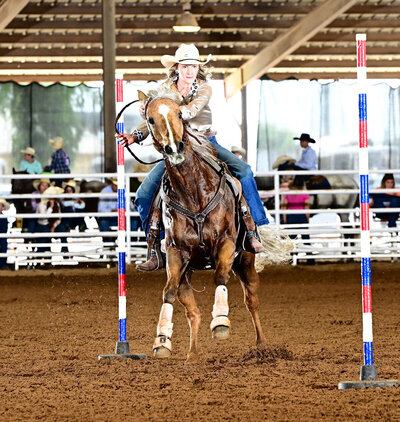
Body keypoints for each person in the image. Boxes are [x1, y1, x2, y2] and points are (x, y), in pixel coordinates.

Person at [117, 43, 268, 271]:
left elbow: (192, 110)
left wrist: (158, 107)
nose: (190, 71)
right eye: (186, 66)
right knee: (144, 193)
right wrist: (135, 135)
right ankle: (154, 246)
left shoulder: (203, 88)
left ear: (199, 69)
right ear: (177, 67)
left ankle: (254, 228)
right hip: (177, 147)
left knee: (244, 171)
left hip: (207, 143)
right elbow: (156, 120)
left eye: (194, 66)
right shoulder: (165, 90)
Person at [281, 175, 314, 264]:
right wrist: (307, 218)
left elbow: (284, 208)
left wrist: (285, 221)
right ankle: (310, 260)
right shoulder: (305, 194)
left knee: (292, 240)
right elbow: (306, 207)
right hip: (302, 216)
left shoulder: (288, 194)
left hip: (291, 217)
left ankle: (293, 260)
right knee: (306, 238)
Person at [36, 186, 68, 253]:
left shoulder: (57, 204)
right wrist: (50, 208)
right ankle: (41, 252)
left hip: (53, 224)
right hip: (43, 224)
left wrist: (54, 226)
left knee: (62, 229)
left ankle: (65, 251)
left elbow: (59, 218)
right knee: (45, 233)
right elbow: (43, 217)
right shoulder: (41, 205)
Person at [97, 178, 118, 242]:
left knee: (132, 220)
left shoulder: (125, 189)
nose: (117, 187)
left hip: (120, 216)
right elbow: (101, 210)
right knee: (104, 221)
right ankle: (107, 244)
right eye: (116, 185)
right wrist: (113, 211)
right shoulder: (105, 191)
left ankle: (131, 243)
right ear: (112, 184)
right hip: (108, 217)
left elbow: (130, 207)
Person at [0, 198, 10, 269]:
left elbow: (4, 230)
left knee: (3, 246)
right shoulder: (4, 217)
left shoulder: (4, 217)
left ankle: (3, 265)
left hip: (2, 236)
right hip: (2, 236)